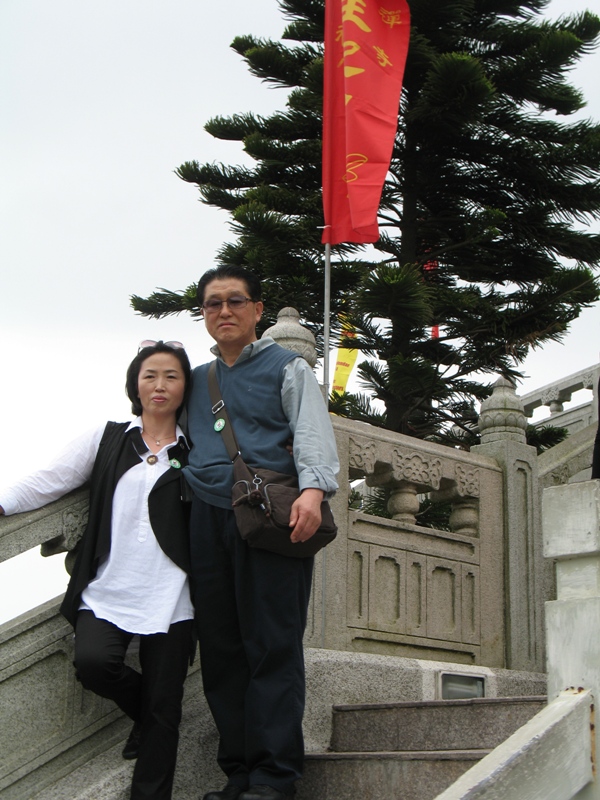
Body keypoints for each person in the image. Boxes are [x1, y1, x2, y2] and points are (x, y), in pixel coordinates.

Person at [0, 340, 195, 800]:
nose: (160, 385)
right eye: (150, 375)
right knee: (93, 664)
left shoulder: (198, 447)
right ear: (134, 383)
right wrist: (3, 502)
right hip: (110, 587)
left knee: (167, 712)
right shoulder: (109, 437)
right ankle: (145, 713)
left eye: (171, 375)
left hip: (176, 594)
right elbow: (51, 479)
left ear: (186, 386)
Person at [183, 266, 340, 800]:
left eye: (234, 301)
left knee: (272, 645)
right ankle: (240, 775)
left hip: (272, 514)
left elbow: (311, 429)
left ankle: (275, 778)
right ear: (203, 315)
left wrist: (314, 492)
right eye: (212, 304)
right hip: (207, 518)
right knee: (222, 651)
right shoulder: (196, 380)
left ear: (256, 310)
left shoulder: (287, 366)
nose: (223, 311)